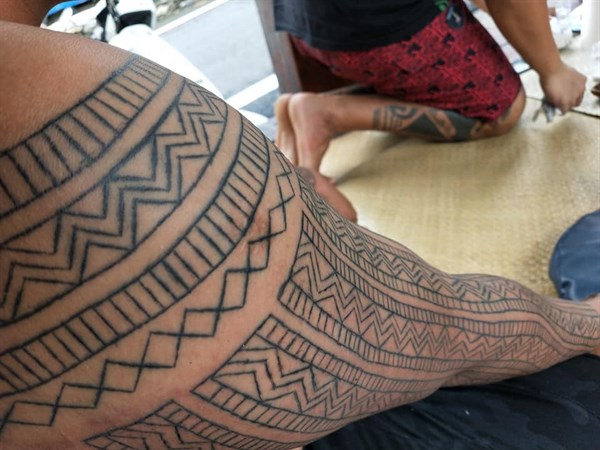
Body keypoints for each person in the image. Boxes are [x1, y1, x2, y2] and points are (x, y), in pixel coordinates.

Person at [0, 2, 599, 448]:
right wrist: (584, 325)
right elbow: (431, 334)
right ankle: (324, 119)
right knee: (503, 111)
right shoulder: (71, 118)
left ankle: (310, 154)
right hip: (379, 28)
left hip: (313, 28)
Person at [273, 0, 587, 220]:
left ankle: (311, 109)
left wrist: (529, 16)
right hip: (371, 35)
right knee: (501, 108)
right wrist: (553, 70)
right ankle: (329, 114)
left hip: (304, 23)